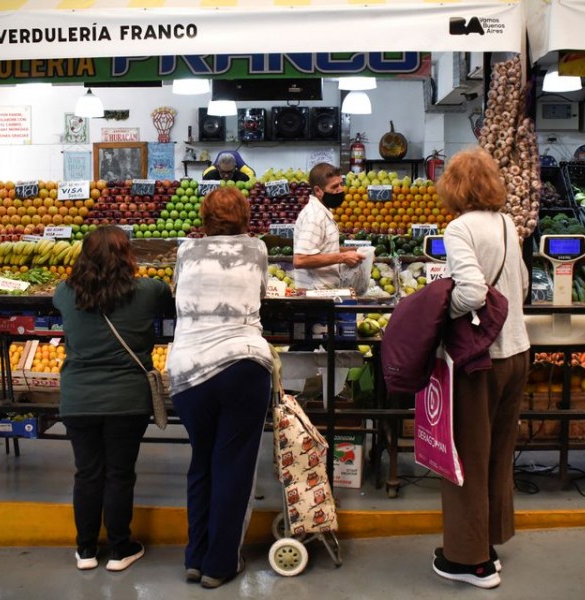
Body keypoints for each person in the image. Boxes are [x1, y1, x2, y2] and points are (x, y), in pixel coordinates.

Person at [431, 147, 530, 589]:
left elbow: (470, 293)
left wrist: (439, 307)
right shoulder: (507, 223)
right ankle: (488, 541)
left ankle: (470, 562)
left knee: (466, 455)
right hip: (516, 352)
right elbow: (523, 283)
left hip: (480, 360)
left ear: (452, 187)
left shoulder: (459, 228)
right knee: (497, 452)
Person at [166, 186, 273, 589]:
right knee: (233, 466)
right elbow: (261, 294)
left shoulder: (185, 250)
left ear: (204, 217)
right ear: (245, 216)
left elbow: (179, 294)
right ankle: (220, 564)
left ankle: (195, 558)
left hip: (188, 371)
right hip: (242, 364)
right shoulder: (257, 249)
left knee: (201, 462)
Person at [52, 225, 172, 572]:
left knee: (87, 473)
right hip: (127, 399)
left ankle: (86, 550)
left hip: (78, 397)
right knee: (119, 474)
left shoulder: (64, 292)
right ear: (127, 256)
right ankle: (120, 548)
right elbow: (167, 296)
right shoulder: (149, 291)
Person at [292, 162, 363, 290]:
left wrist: (356, 251)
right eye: (334, 186)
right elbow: (300, 259)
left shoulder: (323, 211)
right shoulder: (314, 217)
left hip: (323, 293)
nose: (340, 189)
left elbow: (323, 249)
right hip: (314, 297)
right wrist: (343, 257)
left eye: (341, 184)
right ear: (318, 191)